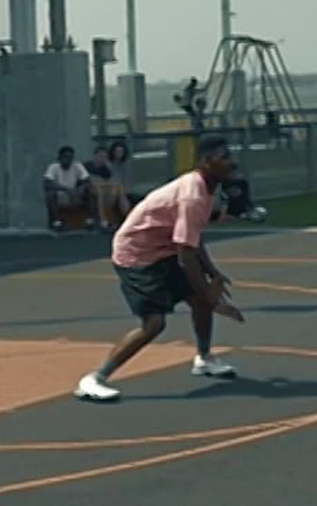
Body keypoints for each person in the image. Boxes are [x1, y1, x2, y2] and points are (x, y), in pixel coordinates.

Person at [75, 134, 242, 403]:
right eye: (224, 157)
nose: (231, 162)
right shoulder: (193, 195)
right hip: (137, 254)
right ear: (206, 162)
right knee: (154, 323)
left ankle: (204, 358)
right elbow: (186, 254)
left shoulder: (207, 187)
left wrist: (213, 273)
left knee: (200, 301)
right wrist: (210, 295)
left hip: (164, 248)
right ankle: (94, 379)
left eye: (230, 155)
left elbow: (192, 238)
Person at [42, 145, 94, 231]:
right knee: (50, 195)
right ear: (60, 158)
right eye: (65, 157)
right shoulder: (53, 167)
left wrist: (81, 188)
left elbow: (88, 181)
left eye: (70, 157)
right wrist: (66, 189)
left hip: (75, 195)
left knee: (91, 192)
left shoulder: (77, 166)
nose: (68, 160)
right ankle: (57, 222)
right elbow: (47, 184)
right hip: (60, 196)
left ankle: (90, 220)